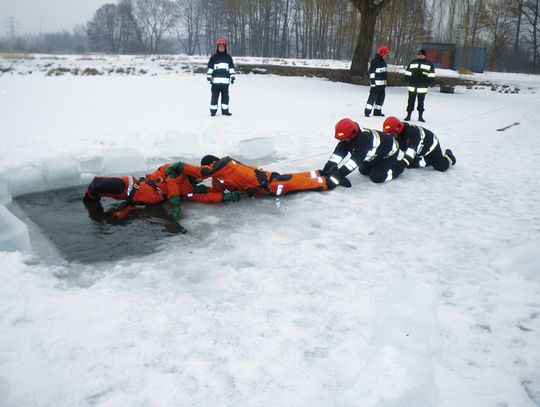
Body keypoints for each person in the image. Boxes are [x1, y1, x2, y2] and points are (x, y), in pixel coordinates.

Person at [83, 161, 241, 220]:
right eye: (198, 177)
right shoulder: (176, 170)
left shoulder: (187, 192)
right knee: (97, 186)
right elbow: (170, 174)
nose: (199, 180)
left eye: (200, 180)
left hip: (136, 202)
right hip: (130, 187)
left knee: (115, 220)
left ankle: (93, 209)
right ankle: (89, 202)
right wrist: (175, 203)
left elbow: (205, 198)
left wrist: (226, 197)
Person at [194, 155, 350, 196]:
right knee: (296, 178)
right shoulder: (219, 178)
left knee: (302, 183)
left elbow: (220, 166)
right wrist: (201, 190)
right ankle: (321, 173)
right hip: (268, 181)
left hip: (270, 184)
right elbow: (217, 192)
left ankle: (331, 180)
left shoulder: (226, 165)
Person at [321, 118, 405, 184]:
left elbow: (354, 161)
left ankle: (398, 167)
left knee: (376, 177)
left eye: (344, 139)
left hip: (389, 154)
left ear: (352, 133)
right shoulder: (347, 137)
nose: (343, 141)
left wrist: (339, 175)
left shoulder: (364, 140)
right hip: (376, 154)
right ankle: (377, 166)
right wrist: (326, 170)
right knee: (363, 171)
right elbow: (338, 154)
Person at [382, 116, 456, 171]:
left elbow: (411, 151)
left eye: (391, 134)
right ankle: (428, 160)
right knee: (411, 164)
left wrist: (402, 164)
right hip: (419, 150)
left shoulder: (411, 133)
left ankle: (449, 156)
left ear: (398, 129)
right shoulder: (396, 133)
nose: (390, 137)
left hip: (431, 146)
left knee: (441, 166)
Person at [404, 49, 435, 122]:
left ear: (424, 55)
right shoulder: (413, 62)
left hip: (422, 87)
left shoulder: (429, 64)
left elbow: (432, 75)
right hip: (412, 86)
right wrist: (409, 79)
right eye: (419, 54)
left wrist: (427, 82)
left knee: (421, 102)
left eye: (422, 55)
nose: (420, 56)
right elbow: (407, 72)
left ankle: (420, 116)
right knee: (410, 101)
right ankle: (408, 115)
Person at [207, 38, 236, 116]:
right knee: (214, 97)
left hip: (225, 83)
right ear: (217, 47)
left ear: (225, 47)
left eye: (223, 46)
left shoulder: (228, 57)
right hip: (215, 82)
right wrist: (209, 76)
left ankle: (225, 111)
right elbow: (210, 68)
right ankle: (213, 111)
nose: (221, 48)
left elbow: (231, 68)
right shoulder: (213, 57)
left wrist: (232, 76)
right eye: (220, 46)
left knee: (225, 98)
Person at [364, 45, 389, 117]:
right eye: (385, 54)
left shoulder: (383, 61)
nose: (386, 56)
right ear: (382, 53)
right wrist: (373, 82)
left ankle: (377, 112)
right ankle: (367, 112)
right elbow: (371, 73)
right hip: (376, 85)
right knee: (372, 99)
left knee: (381, 99)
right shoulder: (375, 61)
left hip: (382, 86)